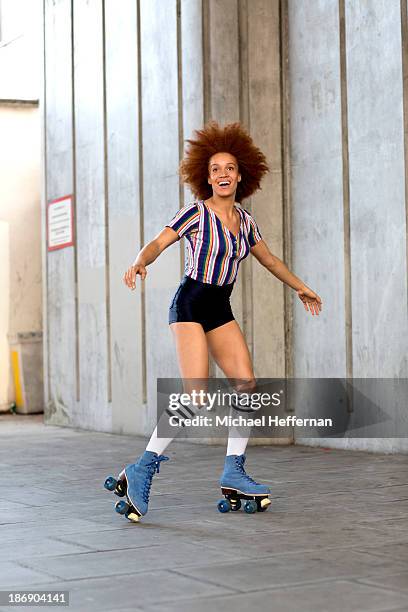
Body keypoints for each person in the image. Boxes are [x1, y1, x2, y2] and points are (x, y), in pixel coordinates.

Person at [119, 120, 322, 520]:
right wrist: (140, 261)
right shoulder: (195, 213)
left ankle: (233, 470)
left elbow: (270, 261)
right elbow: (159, 241)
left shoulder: (246, 223)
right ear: (206, 178)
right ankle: (141, 467)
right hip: (192, 303)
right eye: (215, 169)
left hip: (220, 308)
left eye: (229, 167)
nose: (222, 174)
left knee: (246, 384)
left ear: (241, 174)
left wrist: (301, 287)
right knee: (196, 397)